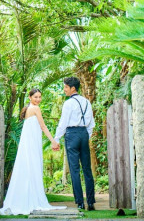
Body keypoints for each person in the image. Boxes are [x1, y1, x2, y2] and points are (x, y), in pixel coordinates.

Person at [0, 88, 66, 215]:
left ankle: (28, 197)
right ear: (30, 98)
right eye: (35, 97)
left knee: (29, 168)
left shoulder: (28, 110)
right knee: (32, 167)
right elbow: (43, 126)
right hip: (31, 145)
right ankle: (32, 198)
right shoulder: (35, 109)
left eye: (39, 97)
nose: (38, 99)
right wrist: (53, 141)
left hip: (29, 144)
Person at [53, 77, 96, 211]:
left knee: (74, 170)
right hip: (84, 134)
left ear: (73, 88)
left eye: (66, 87)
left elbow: (63, 123)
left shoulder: (68, 103)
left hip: (72, 134)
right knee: (87, 169)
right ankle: (91, 202)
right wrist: (85, 135)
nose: (64, 90)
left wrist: (56, 139)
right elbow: (91, 124)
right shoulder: (87, 102)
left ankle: (80, 202)